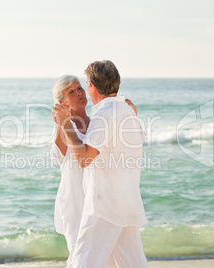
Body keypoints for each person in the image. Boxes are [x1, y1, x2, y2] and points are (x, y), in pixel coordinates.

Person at [52, 60, 149, 268]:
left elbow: (85, 158)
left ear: (92, 87)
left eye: (83, 85)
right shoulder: (125, 112)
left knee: (82, 263)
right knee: (133, 264)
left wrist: (66, 125)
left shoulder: (103, 115)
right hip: (126, 202)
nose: (81, 91)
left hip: (103, 205)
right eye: (72, 91)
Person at [50, 75, 90, 268]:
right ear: (63, 102)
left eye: (79, 88)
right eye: (71, 92)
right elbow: (57, 156)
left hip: (97, 196)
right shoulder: (67, 126)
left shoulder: (97, 121)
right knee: (79, 253)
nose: (79, 93)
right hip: (74, 199)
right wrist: (61, 123)